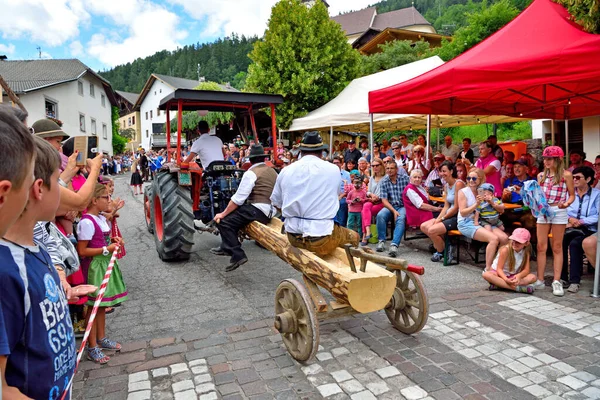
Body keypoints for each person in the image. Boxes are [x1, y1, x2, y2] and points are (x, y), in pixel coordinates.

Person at [0, 137, 81, 399]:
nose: (62, 188)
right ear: (39, 188)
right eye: (58, 180)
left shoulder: (39, 248)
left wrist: (63, 293)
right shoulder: (7, 272)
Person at [271, 131, 359, 256]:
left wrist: (295, 213)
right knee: (354, 237)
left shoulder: (286, 170)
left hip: (293, 236)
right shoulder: (333, 169)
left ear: (301, 152)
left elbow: (276, 202)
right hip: (322, 238)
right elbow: (336, 195)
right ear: (321, 152)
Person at [77, 184, 128, 363]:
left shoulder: (100, 219)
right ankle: (92, 347)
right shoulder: (86, 222)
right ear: (94, 200)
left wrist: (112, 240)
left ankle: (101, 337)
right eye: (106, 197)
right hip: (94, 267)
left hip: (103, 264)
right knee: (92, 306)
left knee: (101, 305)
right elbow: (82, 251)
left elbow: (102, 239)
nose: (109, 200)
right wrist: (107, 248)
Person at [211, 145, 277, 272]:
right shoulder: (273, 171)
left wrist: (222, 214)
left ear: (250, 160)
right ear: (263, 158)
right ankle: (225, 246)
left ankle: (237, 254)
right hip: (271, 210)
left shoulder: (251, 173)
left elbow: (238, 199)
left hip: (258, 210)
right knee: (235, 215)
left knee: (225, 221)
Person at [533, 146, 575, 296]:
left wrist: (566, 204)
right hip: (543, 209)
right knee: (540, 246)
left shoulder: (566, 175)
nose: (546, 161)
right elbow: (538, 195)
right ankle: (540, 279)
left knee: (557, 246)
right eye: (545, 158)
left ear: (558, 160)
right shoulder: (540, 176)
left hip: (559, 209)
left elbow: (572, 195)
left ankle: (557, 280)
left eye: (549, 158)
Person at [457, 168, 508, 271]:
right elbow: (462, 212)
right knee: (494, 239)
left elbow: (501, 210)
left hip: (484, 220)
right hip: (466, 222)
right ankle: (488, 269)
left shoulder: (485, 191)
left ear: (480, 179)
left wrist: (492, 203)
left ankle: (498, 265)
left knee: (504, 238)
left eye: (474, 178)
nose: (471, 180)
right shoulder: (463, 192)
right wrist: (477, 204)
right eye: (469, 178)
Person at [560, 166, 599, 293]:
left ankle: (575, 281)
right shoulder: (570, 194)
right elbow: (563, 209)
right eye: (573, 177)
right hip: (571, 226)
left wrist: (582, 221)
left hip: (589, 228)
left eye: (577, 177)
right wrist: (571, 219)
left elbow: (598, 215)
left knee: (575, 243)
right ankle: (563, 277)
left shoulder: (597, 195)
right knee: (561, 240)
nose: (574, 180)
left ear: (588, 179)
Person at [421, 161, 465, 262]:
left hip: (457, 216)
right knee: (424, 226)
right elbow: (446, 206)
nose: (442, 174)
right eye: (441, 171)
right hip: (448, 215)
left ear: (451, 171)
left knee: (432, 230)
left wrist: (442, 219)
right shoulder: (446, 186)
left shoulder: (458, 184)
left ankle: (441, 252)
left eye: (444, 171)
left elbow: (456, 207)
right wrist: (439, 219)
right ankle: (445, 248)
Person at [482, 228, 537, 293]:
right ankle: (516, 288)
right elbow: (499, 269)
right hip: (499, 274)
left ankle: (500, 285)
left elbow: (526, 270)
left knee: (533, 277)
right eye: (514, 240)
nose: (515, 243)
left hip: (513, 275)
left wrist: (519, 276)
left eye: (518, 242)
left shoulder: (526, 252)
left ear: (526, 243)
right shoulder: (505, 250)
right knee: (486, 274)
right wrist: (505, 279)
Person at [376, 161, 409, 257]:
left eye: (391, 168)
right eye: (387, 168)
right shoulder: (384, 181)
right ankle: (381, 241)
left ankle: (394, 245)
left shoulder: (405, 179)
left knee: (401, 218)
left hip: (403, 205)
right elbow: (384, 200)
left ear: (397, 169)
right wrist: (393, 211)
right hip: (390, 206)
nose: (389, 170)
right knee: (380, 215)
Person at [500, 159, 536, 240]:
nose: (516, 169)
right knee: (501, 219)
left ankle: (528, 244)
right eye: (515, 167)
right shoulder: (509, 181)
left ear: (526, 169)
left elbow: (536, 199)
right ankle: (507, 241)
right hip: (512, 210)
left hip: (527, 209)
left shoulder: (533, 181)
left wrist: (522, 192)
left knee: (529, 222)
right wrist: (505, 196)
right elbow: (505, 201)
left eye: (519, 166)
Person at [361, 157, 386, 245]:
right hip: (372, 200)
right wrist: (371, 195)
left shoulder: (386, 178)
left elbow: (386, 192)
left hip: (382, 202)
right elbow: (368, 191)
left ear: (381, 165)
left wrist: (377, 197)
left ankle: (364, 235)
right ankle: (367, 231)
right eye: (373, 166)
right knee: (365, 206)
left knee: (364, 211)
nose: (375, 167)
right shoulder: (372, 178)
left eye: (377, 165)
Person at [333, 156, 351, 227]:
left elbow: (348, 189)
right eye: (334, 163)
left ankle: (341, 226)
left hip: (344, 196)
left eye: (337, 163)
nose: (336, 165)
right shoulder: (330, 174)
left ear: (341, 164)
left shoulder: (347, 174)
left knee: (341, 203)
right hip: (333, 195)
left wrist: (340, 196)